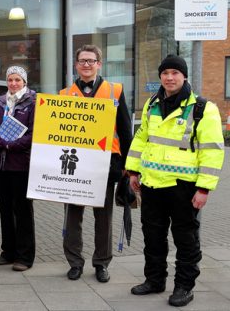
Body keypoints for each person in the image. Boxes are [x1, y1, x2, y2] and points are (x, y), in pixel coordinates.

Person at [127, 55, 224, 307]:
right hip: (152, 184)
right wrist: (133, 171)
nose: (169, 77)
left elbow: (212, 151)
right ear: (160, 76)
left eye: (175, 73)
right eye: (165, 73)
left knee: (186, 239)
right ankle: (154, 280)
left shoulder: (203, 108)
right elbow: (140, 140)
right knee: (153, 236)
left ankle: (184, 286)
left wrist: (204, 188)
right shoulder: (152, 104)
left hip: (184, 187)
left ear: (184, 76)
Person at [60, 45, 132, 283]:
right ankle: (74, 263)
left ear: (99, 64)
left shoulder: (115, 90)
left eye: (91, 61)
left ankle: (101, 263)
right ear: (76, 65)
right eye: (82, 61)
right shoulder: (63, 95)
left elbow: (124, 129)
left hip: (105, 164)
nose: (86, 65)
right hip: (74, 164)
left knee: (103, 218)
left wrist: (126, 165)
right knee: (72, 216)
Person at [0, 65, 36, 272]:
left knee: (22, 211)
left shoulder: (33, 103)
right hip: (1, 166)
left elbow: (34, 134)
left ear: (24, 82)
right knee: (5, 210)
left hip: (21, 166)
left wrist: (11, 144)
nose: (13, 84)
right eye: (10, 80)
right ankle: (8, 252)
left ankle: (25, 257)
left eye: (17, 80)